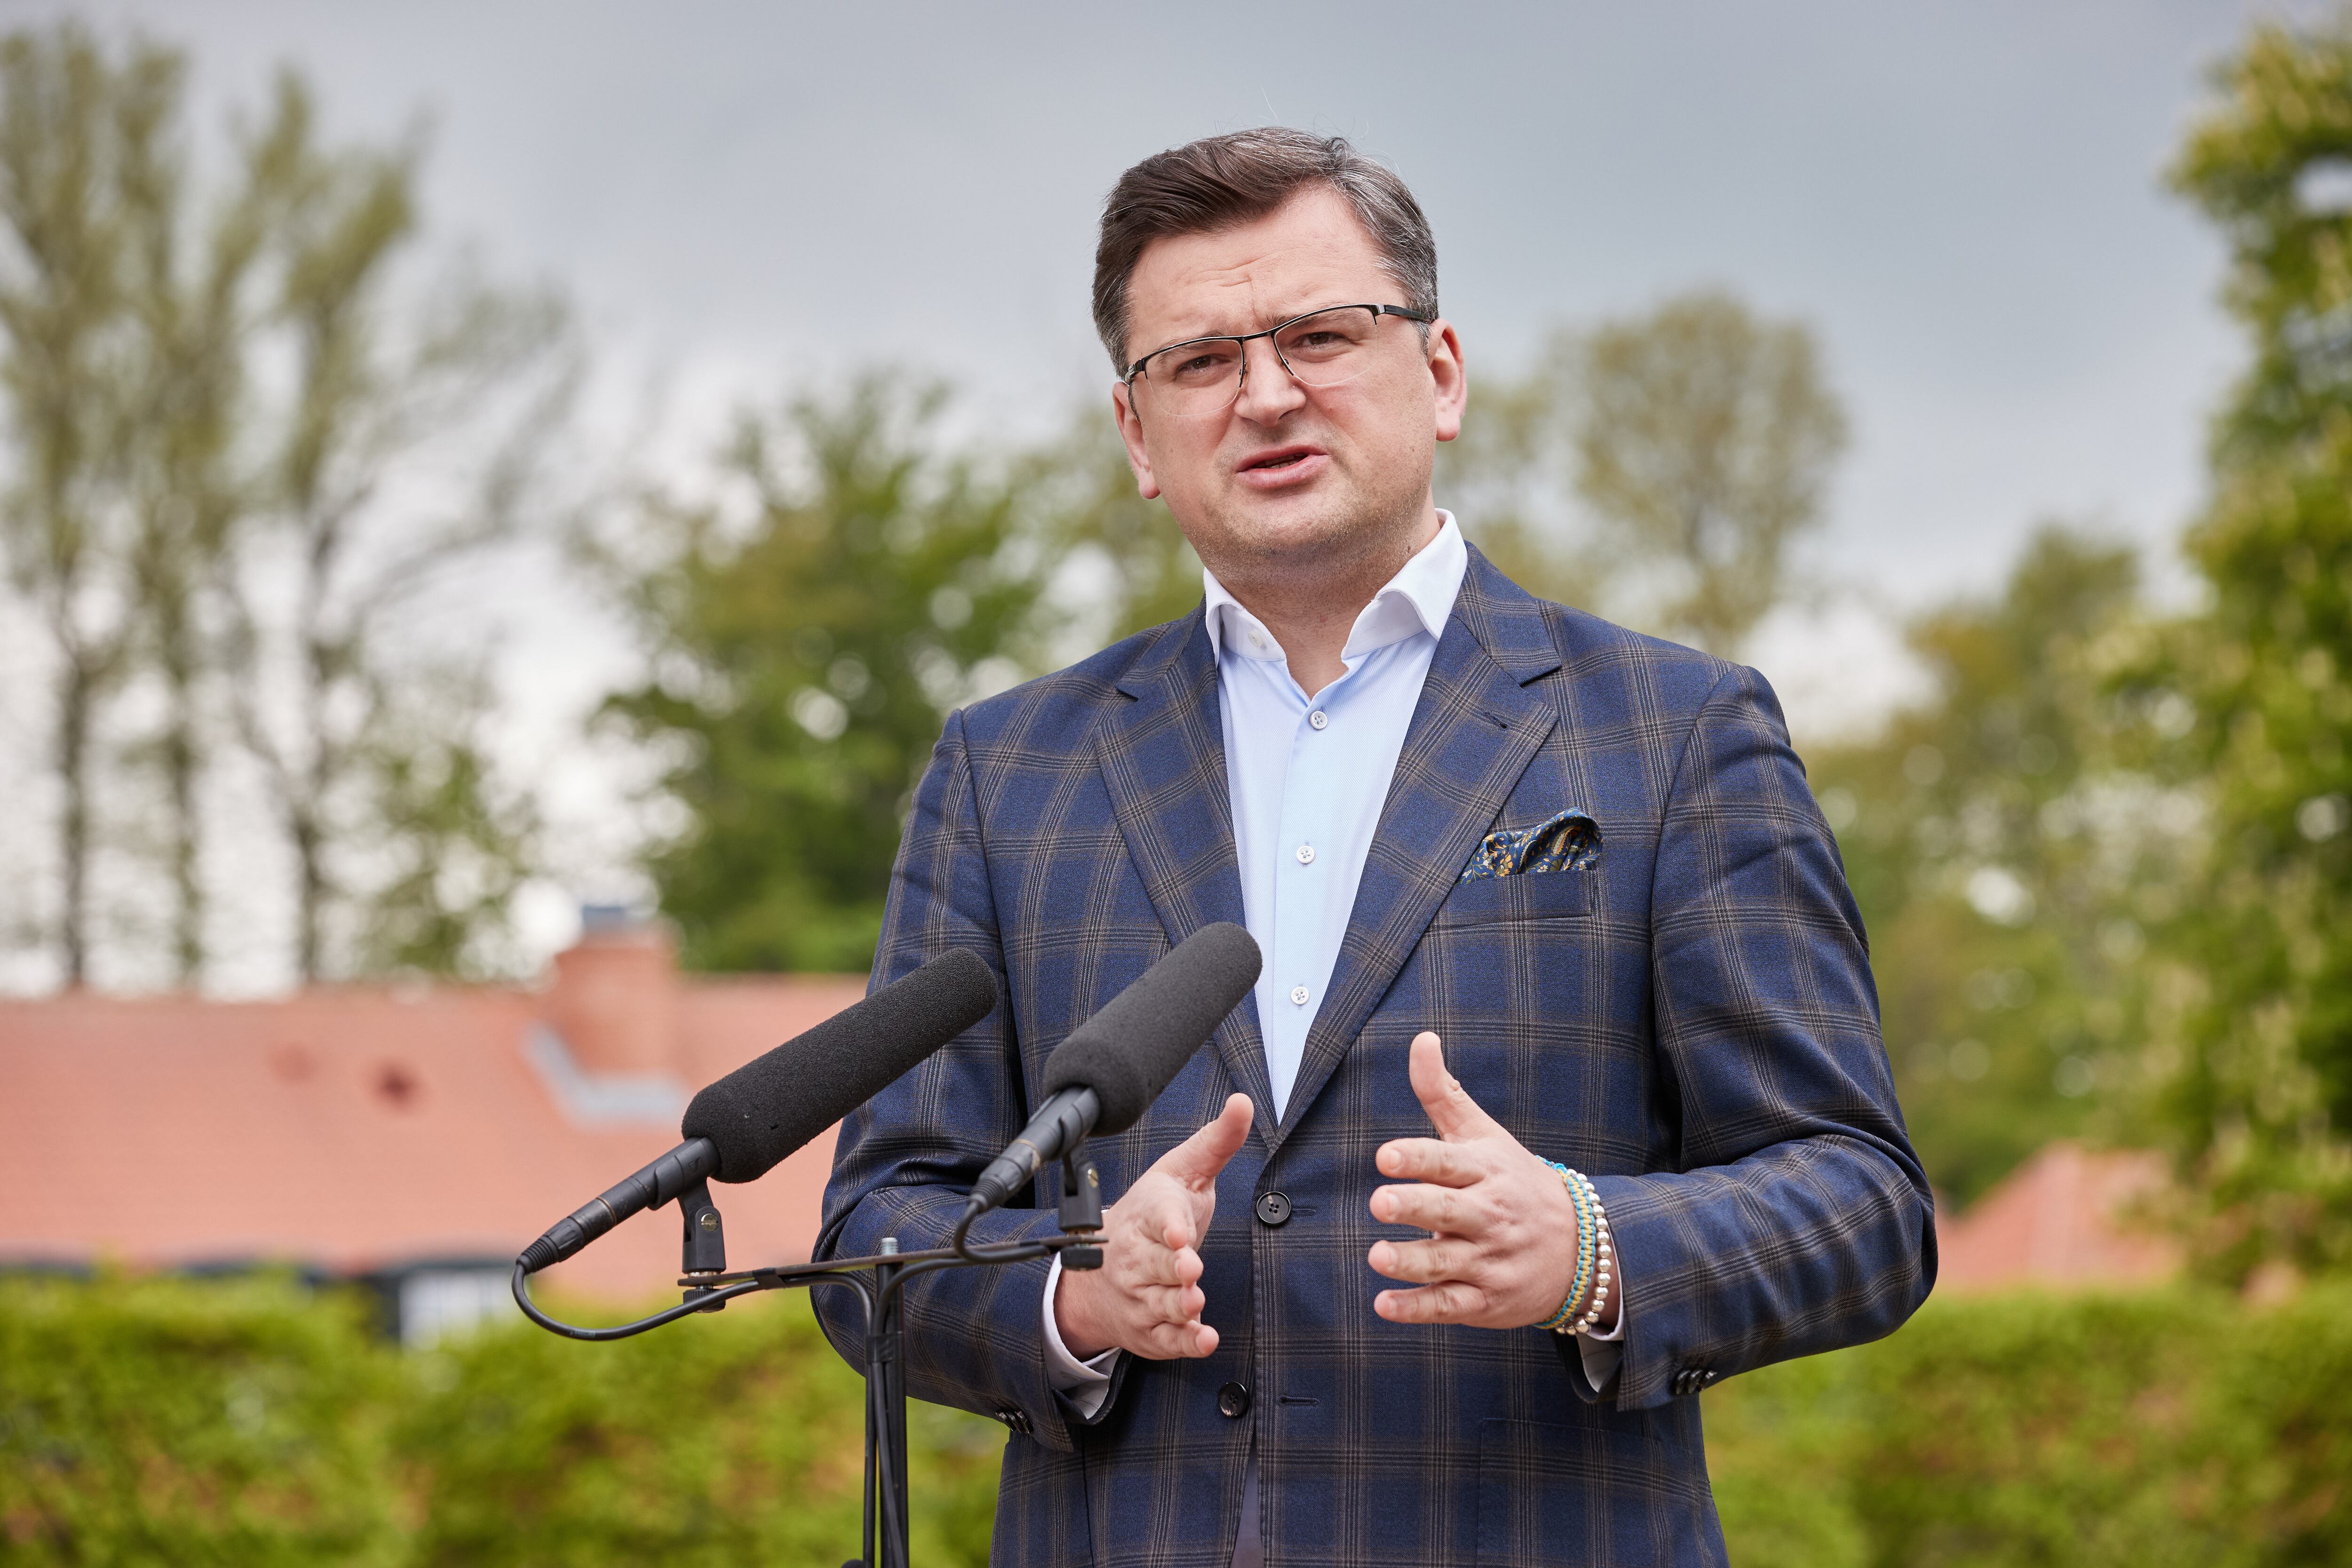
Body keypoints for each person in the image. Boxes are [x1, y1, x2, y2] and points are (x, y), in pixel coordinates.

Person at [816, 127, 1932, 1568]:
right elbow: (876, 1232)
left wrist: (1591, 1248)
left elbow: (1861, 1199)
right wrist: (1077, 1295)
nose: (1267, 394)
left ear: (1443, 371)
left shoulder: (1672, 733)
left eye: (1321, 336)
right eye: (1200, 362)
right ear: (1137, 435)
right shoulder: (1008, 770)